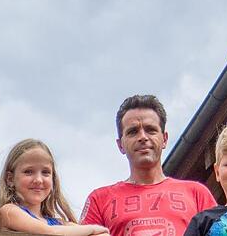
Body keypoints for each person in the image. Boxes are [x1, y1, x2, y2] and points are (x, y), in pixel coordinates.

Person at [81, 94, 217, 236]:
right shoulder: (99, 200)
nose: (143, 137)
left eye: (150, 129)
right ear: (120, 145)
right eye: (133, 132)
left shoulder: (197, 194)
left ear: (164, 139)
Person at [0, 139, 110, 235]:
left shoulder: (58, 223)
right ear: (10, 179)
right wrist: (94, 229)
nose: (38, 180)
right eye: (28, 172)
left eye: (45, 172)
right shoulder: (8, 212)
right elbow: (50, 233)